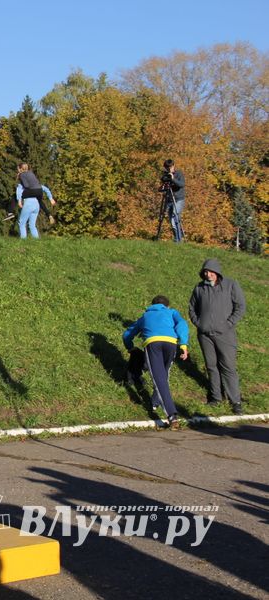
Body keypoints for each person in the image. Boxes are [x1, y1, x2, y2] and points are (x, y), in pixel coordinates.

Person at [122, 295, 190, 430]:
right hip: (171, 343)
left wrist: (130, 347)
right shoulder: (171, 312)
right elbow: (182, 324)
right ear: (167, 306)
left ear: (152, 305)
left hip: (153, 343)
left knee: (159, 378)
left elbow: (127, 334)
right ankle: (155, 401)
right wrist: (183, 345)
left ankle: (172, 416)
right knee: (163, 376)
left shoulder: (145, 316)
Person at [188, 259, 246, 415]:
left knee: (228, 367)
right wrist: (199, 324)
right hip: (205, 335)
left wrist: (228, 324)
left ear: (218, 272)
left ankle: (236, 401)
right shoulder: (199, 288)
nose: (208, 275)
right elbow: (192, 308)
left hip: (225, 334)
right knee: (211, 367)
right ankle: (215, 398)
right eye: (206, 272)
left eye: (211, 272)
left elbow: (240, 306)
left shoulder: (231, 285)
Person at [16, 163, 55, 239]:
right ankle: (37, 241)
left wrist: (19, 201)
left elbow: (23, 188)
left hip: (29, 202)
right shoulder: (31, 174)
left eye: (18, 169)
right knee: (32, 225)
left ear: (20, 169)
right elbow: (45, 189)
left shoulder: (21, 176)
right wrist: (51, 198)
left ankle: (23, 241)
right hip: (37, 203)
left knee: (22, 223)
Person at [162, 159, 185, 243]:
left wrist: (172, 179)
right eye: (167, 168)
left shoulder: (179, 173)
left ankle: (179, 240)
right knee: (172, 221)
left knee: (175, 216)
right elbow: (162, 180)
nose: (169, 169)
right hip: (169, 199)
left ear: (173, 166)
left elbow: (182, 184)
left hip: (179, 199)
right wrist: (166, 178)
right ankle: (177, 238)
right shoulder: (166, 174)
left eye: (170, 167)